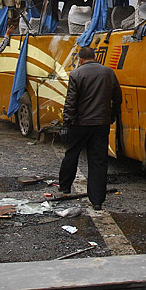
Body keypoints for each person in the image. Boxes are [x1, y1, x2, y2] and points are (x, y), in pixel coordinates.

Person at [57, 46, 122, 211]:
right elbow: (117, 97)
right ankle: (97, 200)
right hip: (101, 123)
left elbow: (71, 101)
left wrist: (66, 123)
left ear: (80, 59)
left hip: (80, 123)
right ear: (95, 57)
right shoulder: (108, 72)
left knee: (72, 153)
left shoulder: (76, 74)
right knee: (98, 161)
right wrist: (112, 115)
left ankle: (65, 186)